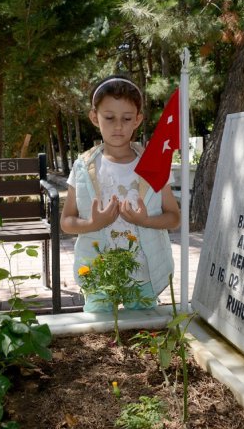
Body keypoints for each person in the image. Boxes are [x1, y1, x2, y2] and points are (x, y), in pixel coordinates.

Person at [60, 75, 181, 312]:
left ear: (137, 119)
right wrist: (94, 223)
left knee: (145, 332)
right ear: (94, 117)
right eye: (109, 117)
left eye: (126, 118)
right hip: (99, 273)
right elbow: (66, 222)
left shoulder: (154, 164)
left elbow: (174, 217)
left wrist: (145, 221)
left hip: (144, 273)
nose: (118, 126)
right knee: (101, 334)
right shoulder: (83, 167)